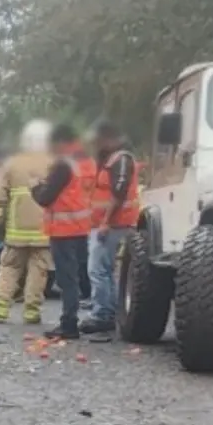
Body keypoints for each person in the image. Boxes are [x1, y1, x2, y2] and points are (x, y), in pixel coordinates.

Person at [31, 123, 96, 339]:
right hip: (80, 228)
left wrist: (35, 187)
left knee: (67, 279)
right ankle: (72, 318)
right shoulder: (85, 163)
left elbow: (45, 197)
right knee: (75, 276)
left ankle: (69, 323)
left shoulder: (62, 165)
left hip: (63, 229)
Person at [0, 119, 54, 324]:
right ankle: (31, 311)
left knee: (9, 268)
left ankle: (0, 308)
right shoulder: (52, 164)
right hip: (44, 230)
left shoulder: (11, 165)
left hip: (15, 230)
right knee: (38, 271)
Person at [80, 119, 139, 334]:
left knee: (97, 270)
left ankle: (102, 314)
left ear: (108, 139)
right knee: (104, 270)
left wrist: (105, 221)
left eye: (98, 140)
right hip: (107, 224)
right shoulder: (110, 160)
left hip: (114, 224)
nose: (96, 145)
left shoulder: (120, 159)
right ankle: (108, 310)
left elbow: (119, 192)